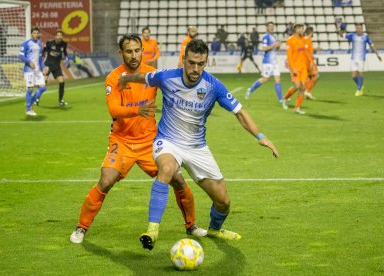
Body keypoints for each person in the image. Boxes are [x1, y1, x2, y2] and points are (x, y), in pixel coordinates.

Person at [119, 39, 279, 250]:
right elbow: (142, 77)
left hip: (197, 148)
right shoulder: (167, 77)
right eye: (192, 63)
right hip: (167, 141)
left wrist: (261, 137)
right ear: (184, 60)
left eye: (200, 64)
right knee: (166, 169)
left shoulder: (213, 86)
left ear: (206, 62)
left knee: (223, 202)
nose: (196, 69)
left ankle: (214, 229)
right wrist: (125, 79)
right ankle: (152, 231)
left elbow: (239, 112)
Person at [69, 34, 206, 245]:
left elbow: (176, 84)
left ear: (143, 50)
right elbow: (113, 109)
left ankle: (192, 226)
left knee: (178, 179)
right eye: (129, 51)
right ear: (121, 53)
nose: (134, 55)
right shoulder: (114, 78)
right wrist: (136, 110)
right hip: (121, 141)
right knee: (106, 180)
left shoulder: (152, 74)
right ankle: (81, 227)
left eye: (137, 50)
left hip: (150, 142)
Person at [339, 23, 382, 96]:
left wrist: (377, 55)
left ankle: (359, 90)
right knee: (353, 76)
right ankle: (361, 86)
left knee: (360, 74)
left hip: (361, 59)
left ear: (362, 29)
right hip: (354, 59)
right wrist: (340, 29)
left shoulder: (365, 37)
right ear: (356, 29)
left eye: (360, 28)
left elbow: (372, 46)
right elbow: (341, 35)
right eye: (357, 28)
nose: (359, 29)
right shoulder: (352, 35)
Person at [245, 22, 282, 102]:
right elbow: (264, 48)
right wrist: (274, 45)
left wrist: (278, 46)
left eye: (273, 26)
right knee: (265, 79)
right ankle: (250, 90)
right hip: (267, 61)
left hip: (274, 61)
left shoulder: (274, 36)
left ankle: (281, 99)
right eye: (270, 26)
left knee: (278, 79)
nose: (272, 28)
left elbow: (276, 49)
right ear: (267, 28)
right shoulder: (266, 37)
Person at [18, 27, 47, 116]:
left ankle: (29, 104)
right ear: (31, 34)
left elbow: (40, 59)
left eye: (37, 33)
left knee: (42, 88)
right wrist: (29, 62)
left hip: (37, 70)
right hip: (29, 70)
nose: (36, 35)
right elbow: (20, 56)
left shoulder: (39, 44)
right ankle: (28, 110)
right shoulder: (26, 44)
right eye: (34, 33)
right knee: (30, 90)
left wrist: (44, 67)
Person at [281, 24, 308, 114]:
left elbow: (305, 53)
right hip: (295, 67)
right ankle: (285, 98)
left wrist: (310, 63)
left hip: (303, 67)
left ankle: (297, 108)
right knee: (297, 86)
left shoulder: (303, 39)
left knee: (303, 87)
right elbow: (289, 56)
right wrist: (293, 68)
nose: (302, 30)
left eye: (303, 29)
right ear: (296, 29)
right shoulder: (290, 40)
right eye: (301, 28)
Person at [42, 29, 69, 106]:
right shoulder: (49, 43)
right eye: (58, 35)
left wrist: (67, 59)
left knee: (61, 82)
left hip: (57, 66)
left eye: (61, 35)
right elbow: (43, 51)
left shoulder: (64, 44)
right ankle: (37, 99)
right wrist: (42, 61)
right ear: (55, 36)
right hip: (48, 65)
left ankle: (60, 100)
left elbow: (65, 53)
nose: (59, 37)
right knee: (44, 82)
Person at [303, 26, 319, 100]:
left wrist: (315, 49)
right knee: (316, 76)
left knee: (310, 78)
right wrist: (311, 57)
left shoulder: (305, 39)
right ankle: (307, 91)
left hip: (307, 61)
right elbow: (305, 50)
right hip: (309, 61)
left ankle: (308, 94)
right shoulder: (307, 39)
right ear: (311, 32)